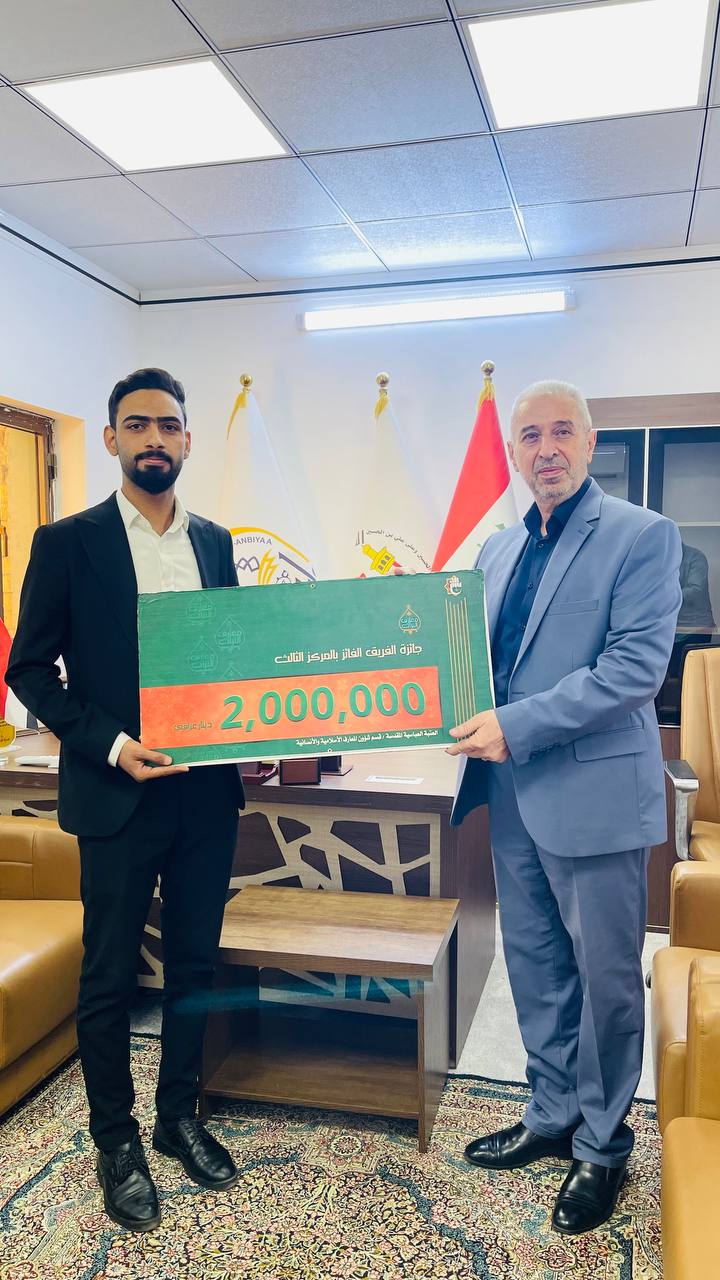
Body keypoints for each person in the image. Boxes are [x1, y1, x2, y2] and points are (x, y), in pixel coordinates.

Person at [7, 368, 244, 1233]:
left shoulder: (215, 543)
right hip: (116, 793)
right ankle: (117, 1141)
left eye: (168, 426)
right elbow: (30, 671)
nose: (154, 439)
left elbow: (231, 659)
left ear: (187, 440)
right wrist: (111, 743)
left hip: (205, 794)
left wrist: (260, 723)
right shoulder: (67, 543)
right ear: (111, 439)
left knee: (194, 964)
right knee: (108, 975)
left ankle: (179, 1116)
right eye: (137, 425)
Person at [448, 380, 681, 1235]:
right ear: (514, 452)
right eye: (529, 436)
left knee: (606, 979)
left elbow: (632, 671)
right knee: (536, 964)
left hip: (592, 794)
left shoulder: (641, 535)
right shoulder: (497, 550)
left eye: (560, 433)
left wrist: (512, 725)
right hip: (511, 793)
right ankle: (551, 1115)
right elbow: (472, 661)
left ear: (589, 442)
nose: (545, 449)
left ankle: (604, 1146)